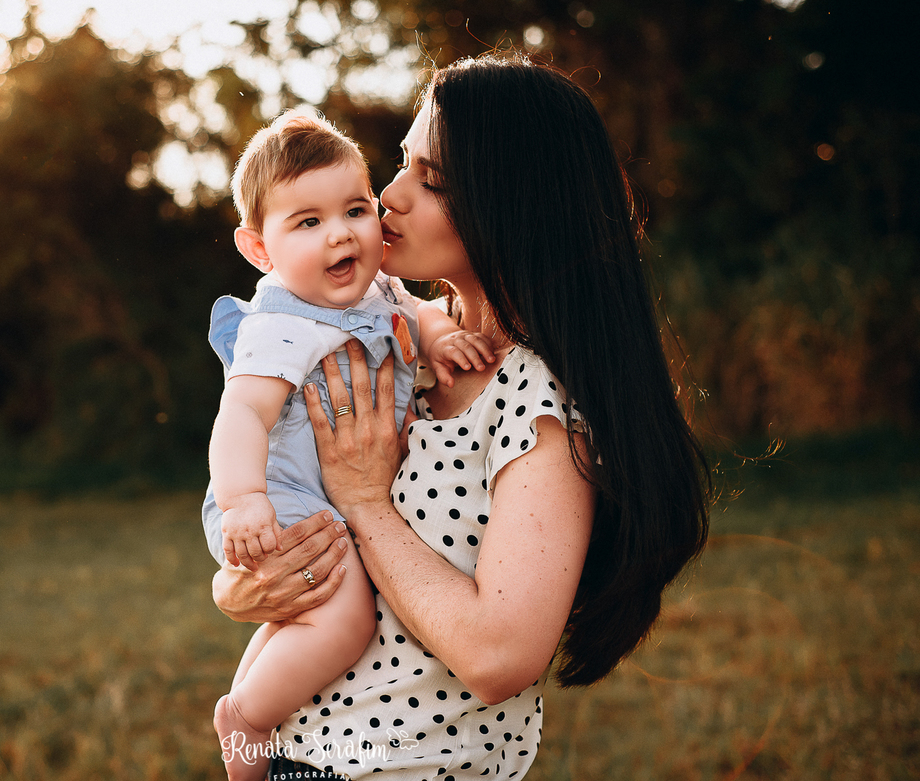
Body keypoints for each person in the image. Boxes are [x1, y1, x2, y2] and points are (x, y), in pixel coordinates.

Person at [211, 53, 713, 780]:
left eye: (431, 180)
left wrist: (363, 501)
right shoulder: (398, 340)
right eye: (403, 165)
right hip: (292, 753)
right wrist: (242, 585)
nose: (388, 197)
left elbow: (499, 655)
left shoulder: (537, 401)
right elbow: (280, 487)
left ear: (516, 203)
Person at [203, 109, 496, 781]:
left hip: (322, 500)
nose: (340, 233)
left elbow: (414, 309)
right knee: (344, 622)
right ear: (260, 251)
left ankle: (251, 710)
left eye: (355, 209)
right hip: (280, 502)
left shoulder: (375, 287)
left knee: (300, 621)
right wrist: (245, 500)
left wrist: (440, 334)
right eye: (307, 222)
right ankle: (248, 720)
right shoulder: (283, 321)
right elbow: (242, 412)